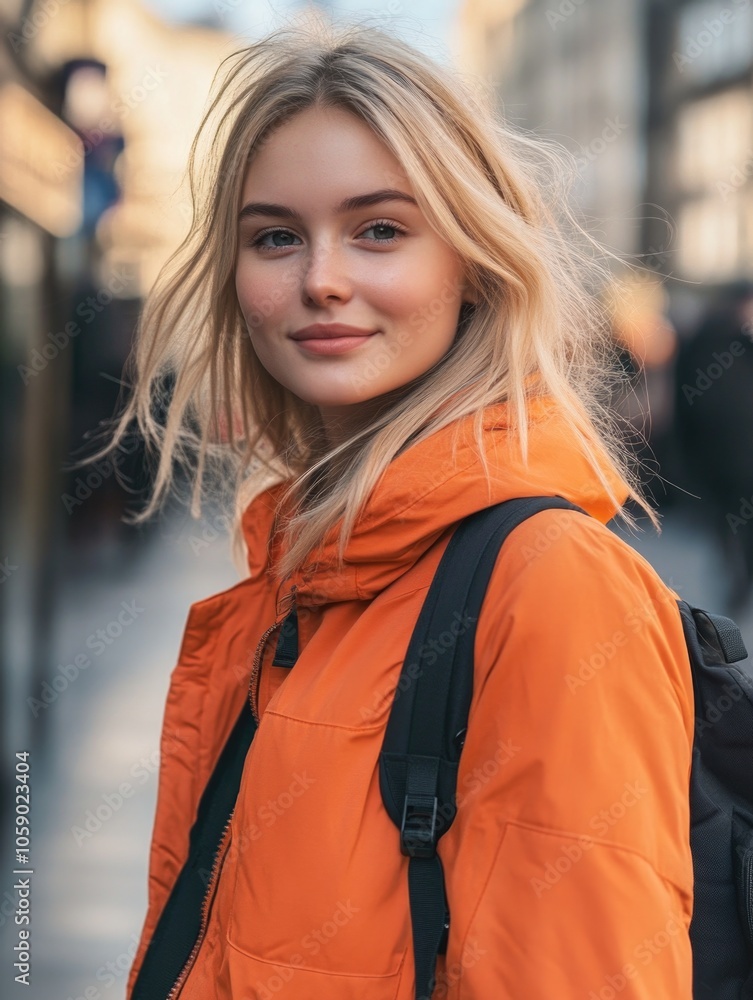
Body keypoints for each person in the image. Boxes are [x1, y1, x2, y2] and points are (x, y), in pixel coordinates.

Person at [97, 18, 694, 999]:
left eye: (380, 228)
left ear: (471, 261)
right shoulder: (312, 572)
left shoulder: (553, 588)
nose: (322, 278)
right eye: (276, 236)